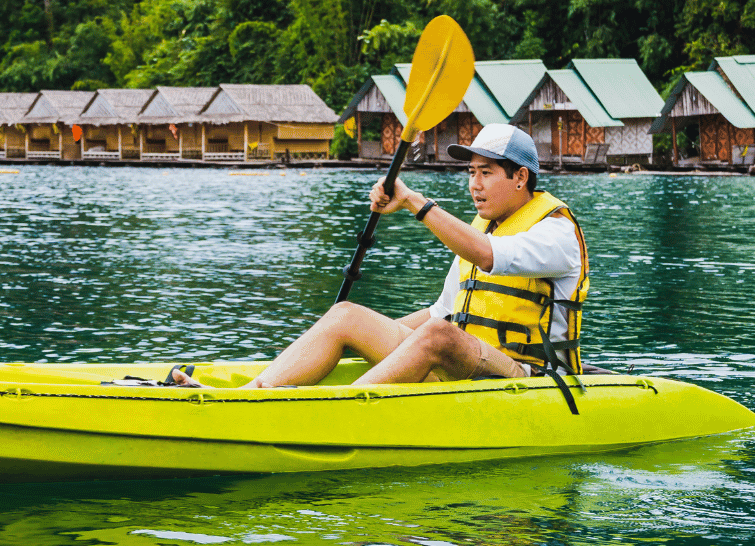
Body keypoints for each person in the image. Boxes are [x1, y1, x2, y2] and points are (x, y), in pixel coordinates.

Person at [175, 124, 588, 388]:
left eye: (487, 173)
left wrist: (414, 202)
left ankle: (333, 411)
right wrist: (367, 335)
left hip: (530, 377)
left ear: (520, 178)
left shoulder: (556, 231)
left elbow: (487, 257)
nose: (474, 185)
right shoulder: (484, 226)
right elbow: (439, 314)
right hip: (462, 359)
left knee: (439, 336)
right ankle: (252, 395)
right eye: (471, 173)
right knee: (347, 315)